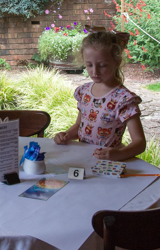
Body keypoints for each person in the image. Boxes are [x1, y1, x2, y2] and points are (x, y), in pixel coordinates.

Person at [53, 30, 146, 161]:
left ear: (117, 62)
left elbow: (140, 143)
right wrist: (66, 135)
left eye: (102, 65)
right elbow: (79, 126)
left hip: (107, 163)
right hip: (83, 159)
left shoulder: (123, 99)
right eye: (89, 65)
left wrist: (119, 154)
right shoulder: (84, 92)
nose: (94, 71)